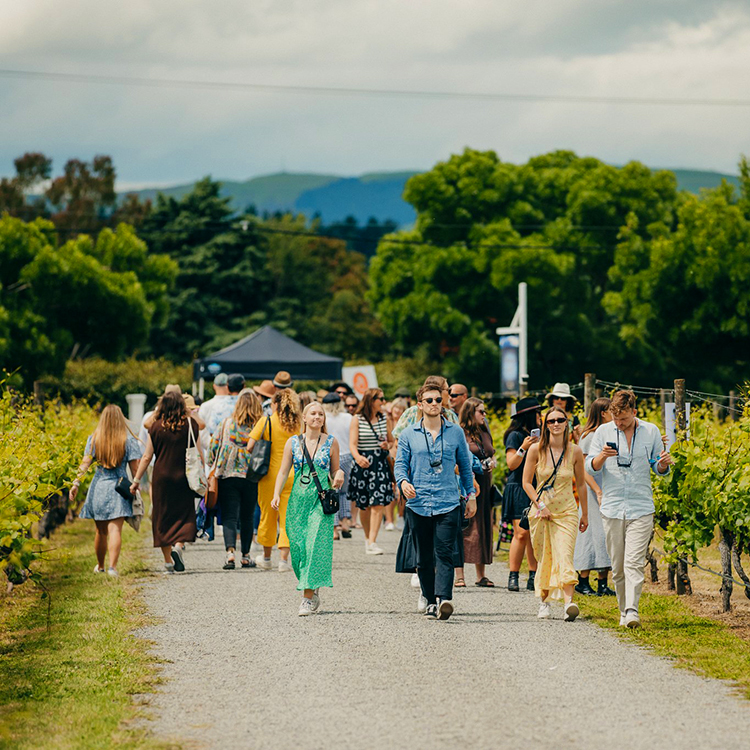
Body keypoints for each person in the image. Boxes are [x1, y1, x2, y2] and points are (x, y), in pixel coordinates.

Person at [586, 389, 673, 628]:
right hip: (612, 507)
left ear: (634, 412)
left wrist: (663, 465)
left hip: (641, 506)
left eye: (623, 419)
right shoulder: (603, 432)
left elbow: (658, 467)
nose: (619, 424)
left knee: (633, 562)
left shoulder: (651, 431)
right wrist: (602, 456)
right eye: (616, 419)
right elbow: (589, 467)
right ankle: (623, 609)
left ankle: (633, 610)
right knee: (617, 566)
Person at [394, 383, 477, 620]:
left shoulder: (455, 432)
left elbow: (466, 465)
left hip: (448, 500)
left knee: (444, 551)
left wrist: (470, 496)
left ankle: (444, 599)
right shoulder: (409, 434)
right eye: (429, 400)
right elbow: (400, 464)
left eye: (438, 400)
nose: (434, 404)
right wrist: (403, 482)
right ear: (420, 405)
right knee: (424, 556)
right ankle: (429, 600)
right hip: (418, 502)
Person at [272, 401, 345, 615]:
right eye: (313, 413)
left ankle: (307, 597)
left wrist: (339, 474)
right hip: (297, 501)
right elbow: (283, 472)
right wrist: (276, 494)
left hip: (320, 501)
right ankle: (311, 588)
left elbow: (335, 471)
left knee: (314, 545)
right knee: (297, 548)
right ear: (304, 418)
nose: (317, 417)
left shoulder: (331, 442)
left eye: (320, 414)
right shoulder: (293, 442)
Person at [522, 407, 588, 621]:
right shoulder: (536, 450)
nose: (556, 424)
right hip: (542, 512)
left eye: (560, 420)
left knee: (565, 555)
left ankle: (569, 602)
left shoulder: (575, 451)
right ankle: (544, 601)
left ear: (566, 423)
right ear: (545, 425)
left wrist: (584, 513)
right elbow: (526, 483)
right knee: (545, 557)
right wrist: (541, 506)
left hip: (567, 511)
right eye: (551, 421)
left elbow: (582, 484)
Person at [131, 392, 201, 574]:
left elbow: (147, 457)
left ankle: (168, 562)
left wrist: (136, 480)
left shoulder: (156, 427)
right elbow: (198, 452)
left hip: (162, 477)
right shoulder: (191, 425)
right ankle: (178, 546)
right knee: (184, 514)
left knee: (163, 517)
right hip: (184, 477)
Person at [71, 405, 143, 576]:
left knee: (100, 531)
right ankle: (113, 567)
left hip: (99, 487)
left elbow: (84, 464)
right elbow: (135, 469)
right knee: (115, 530)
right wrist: (136, 485)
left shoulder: (94, 439)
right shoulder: (128, 441)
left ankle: (100, 566)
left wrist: (75, 483)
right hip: (119, 486)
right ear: (121, 419)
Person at [247, 388, 302, 571]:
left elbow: (250, 446)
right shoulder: (299, 425)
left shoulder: (266, 422)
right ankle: (284, 561)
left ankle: (267, 557)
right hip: (294, 475)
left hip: (269, 476)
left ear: (276, 404)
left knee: (267, 517)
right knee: (288, 519)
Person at [209, 390, 263, 570]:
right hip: (252, 475)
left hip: (228, 474)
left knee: (230, 516)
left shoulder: (226, 424)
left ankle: (230, 553)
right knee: (247, 517)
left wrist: (211, 465)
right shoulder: (260, 426)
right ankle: (246, 556)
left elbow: (213, 446)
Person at [574, 397, 616, 596]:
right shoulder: (589, 436)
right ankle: (583, 581)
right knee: (591, 536)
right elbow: (583, 470)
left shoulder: (609, 433)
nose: (614, 414)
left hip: (605, 489)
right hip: (592, 492)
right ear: (602, 413)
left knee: (604, 537)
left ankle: (602, 583)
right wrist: (597, 492)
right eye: (611, 411)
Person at [455, 398, 496, 587]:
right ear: (471, 412)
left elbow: (490, 451)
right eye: (481, 411)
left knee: (483, 525)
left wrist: (492, 461)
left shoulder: (485, 430)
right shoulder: (459, 432)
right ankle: (459, 575)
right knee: (465, 525)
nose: (484, 415)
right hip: (466, 482)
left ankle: (481, 575)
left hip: (485, 482)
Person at [503, 397, 542, 591]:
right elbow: (511, 464)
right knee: (521, 533)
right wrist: (524, 448)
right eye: (537, 413)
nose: (540, 416)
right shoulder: (515, 436)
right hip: (518, 486)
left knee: (534, 533)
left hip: (536, 487)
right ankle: (514, 574)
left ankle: (533, 574)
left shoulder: (543, 435)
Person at [349, 388, 394, 555]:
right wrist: (358, 458)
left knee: (379, 503)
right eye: (380, 399)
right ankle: (368, 539)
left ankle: (373, 541)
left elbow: (391, 441)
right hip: (363, 463)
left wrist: (387, 445)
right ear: (371, 400)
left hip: (380, 463)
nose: (382, 402)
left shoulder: (384, 419)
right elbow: (352, 444)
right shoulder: (357, 419)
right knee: (364, 505)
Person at [322, 392, 353, 539]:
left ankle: (334, 528)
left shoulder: (324, 418)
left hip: (329, 456)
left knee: (331, 492)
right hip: (347, 456)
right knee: (344, 492)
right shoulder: (349, 418)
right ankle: (345, 522)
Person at [392, 376, 458, 439]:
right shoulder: (412, 412)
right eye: (448, 390)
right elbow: (398, 440)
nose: (450, 395)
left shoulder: (450, 415)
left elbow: (459, 441)